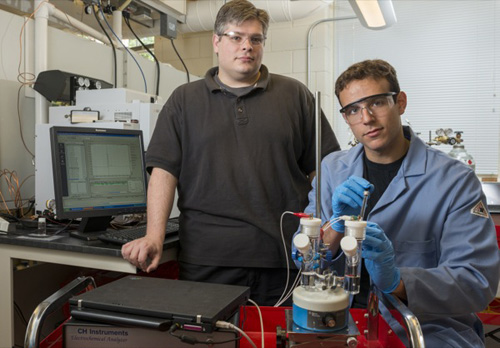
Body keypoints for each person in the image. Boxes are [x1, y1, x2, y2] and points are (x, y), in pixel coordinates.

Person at [121, 0, 340, 306]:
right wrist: (154, 236)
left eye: (255, 39)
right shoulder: (184, 100)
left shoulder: (295, 95)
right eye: (236, 37)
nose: (246, 46)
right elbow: (163, 171)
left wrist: (326, 230)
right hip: (208, 259)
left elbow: (324, 170)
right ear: (217, 42)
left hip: (283, 258)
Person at [302, 59, 500, 346]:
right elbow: (307, 258)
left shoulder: (454, 180)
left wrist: (399, 281)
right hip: (338, 322)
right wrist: (334, 226)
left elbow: (476, 282)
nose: (366, 118)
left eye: (377, 103)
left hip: (427, 330)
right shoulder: (332, 170)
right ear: (346, 118)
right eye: (353, 109)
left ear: (401, 102)